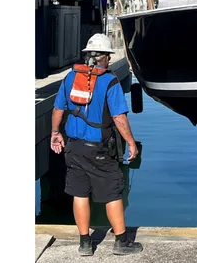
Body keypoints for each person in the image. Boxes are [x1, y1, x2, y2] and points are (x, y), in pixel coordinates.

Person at [50, 33, 143, 256]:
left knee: (80, 194)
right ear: (104, 58)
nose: (109, 61)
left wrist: (55, 133)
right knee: (112, 193)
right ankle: (121, 242)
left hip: (73, 148)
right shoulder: (109, 81)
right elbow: (119, 118)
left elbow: (57, 110)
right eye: (108, 57)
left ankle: (84, 244)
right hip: (100, 151)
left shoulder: (70, 78)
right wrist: (131, 143)